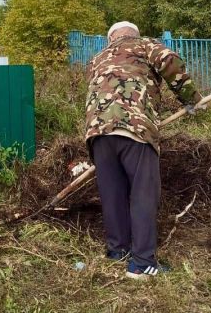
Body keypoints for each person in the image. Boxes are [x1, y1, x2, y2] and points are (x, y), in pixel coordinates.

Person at [85, 21, 202, 280]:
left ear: (111, 38)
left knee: (112, 193)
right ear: (134, 35)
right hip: (134, 128)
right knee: (143, 193)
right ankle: (142, 264)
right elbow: (170, 61)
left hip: (98, 131)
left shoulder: (97, 57)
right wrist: (191, 99)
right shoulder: (146, 45)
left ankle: (118, 250)